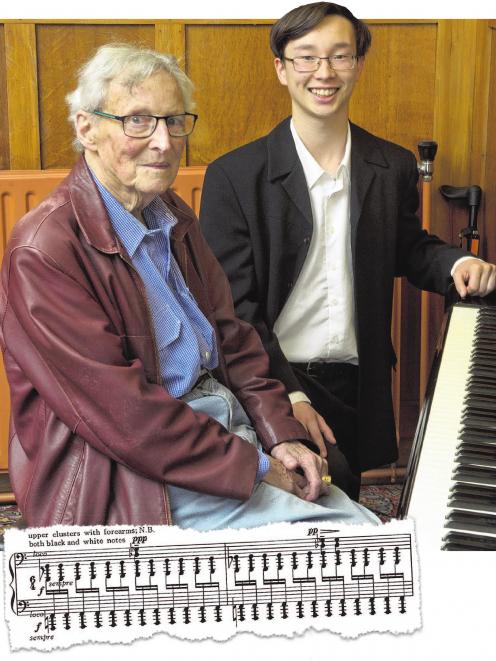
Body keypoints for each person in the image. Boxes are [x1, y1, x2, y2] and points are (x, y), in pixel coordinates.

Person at [0, 43, 378, 529]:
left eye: (174, 121)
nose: (163, 141)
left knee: (363, 528)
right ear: (86, 128)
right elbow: (127, 418)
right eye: (138, 120)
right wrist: (259, 468)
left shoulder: (171, 213)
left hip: (214, 428)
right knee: (353, 543)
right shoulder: (44, 249)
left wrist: (279, 433)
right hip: (131, 473)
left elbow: (234, 335)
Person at [199, 2, 496, 495]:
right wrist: (287, 395)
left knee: (347, 514)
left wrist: (458, 262)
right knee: (304, 514)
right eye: (307, 57)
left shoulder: (392, 165)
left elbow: (406, 247)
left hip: (358, 382)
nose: (324, 72)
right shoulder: (234, 176)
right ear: (281, 68)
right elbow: (233, 310)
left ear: (358, 64)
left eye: (339, 56)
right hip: (274, 378)